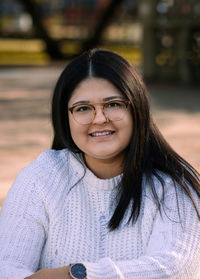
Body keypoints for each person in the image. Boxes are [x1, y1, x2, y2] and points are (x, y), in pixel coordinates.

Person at [0, 49, 200, 279]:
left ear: (137, 109)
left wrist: (76, 274)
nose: (99, 119)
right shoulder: (40, 178)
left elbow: (174, 270)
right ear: (65, 118)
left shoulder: (175, 185)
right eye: (83, 108)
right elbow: (7, 270)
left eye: (113, 104)